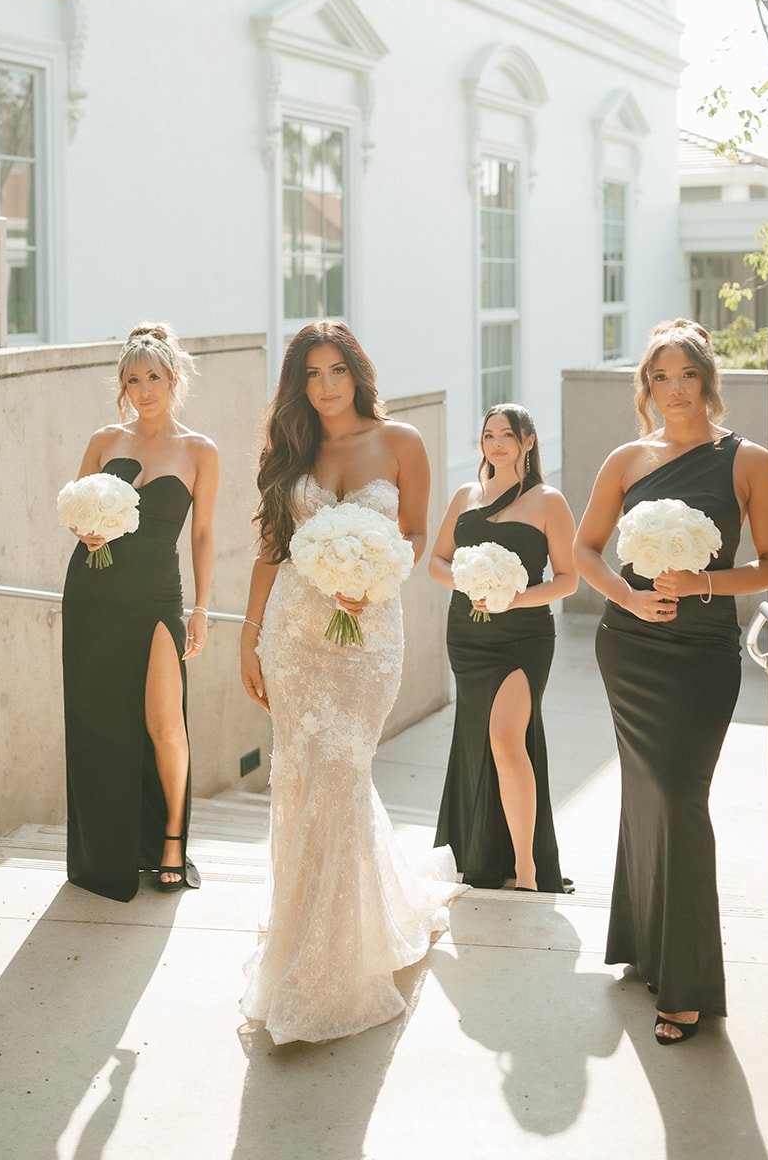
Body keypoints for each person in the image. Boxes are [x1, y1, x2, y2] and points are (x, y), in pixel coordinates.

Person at [239, 319, 461, 1044]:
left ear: (356, 374)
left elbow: (416, 532)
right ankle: (303, 951)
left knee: (339, 770)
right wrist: (248, 637)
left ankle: (335, 969)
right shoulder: (289, 448)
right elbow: (272, 548)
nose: (325, 386)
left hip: (368, 635)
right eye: (311, 374)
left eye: (336, 371)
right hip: (294, 636)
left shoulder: (401, 443)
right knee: (304, 781)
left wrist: (368, 581)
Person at [574, 318, 768, 1045]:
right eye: (659, 377)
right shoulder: (625, 459)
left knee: (677, 794)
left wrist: (701, 581)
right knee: (642, 793)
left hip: (700, 653)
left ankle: (688, 982)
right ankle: (645, 948)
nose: (674, 390)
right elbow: (584, 549)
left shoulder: (748, 461)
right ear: (645, 386)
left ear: (708, 381)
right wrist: (628, 596)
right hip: (628, 646)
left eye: (686, 375)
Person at [61, 322, 218, 898]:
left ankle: (172, 841)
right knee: (99, 722)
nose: (143, 388)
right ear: (122, 386)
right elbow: (74, 509)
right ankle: (106, 849)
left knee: (165, 723)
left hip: (157, 597)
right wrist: (87, 532)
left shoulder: (200, 450)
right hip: (94, 594)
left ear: (173, 379)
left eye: (153, 376)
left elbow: (202, 535)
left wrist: (202, 608)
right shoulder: (105, 441)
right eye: (132, 379)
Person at [430, 403, 577, 893]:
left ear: (528, 442)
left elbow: (568, 580)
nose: (496, 443)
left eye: (507, 435)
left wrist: (511, 599)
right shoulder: (465, 495)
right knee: (483, 738)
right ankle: (486, 852)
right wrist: (467, 582)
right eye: (488, 434)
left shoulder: (549, 501)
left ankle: (528, 869)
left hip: (523, 638)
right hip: (468, 635)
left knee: (506, 739)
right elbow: (436, 561)